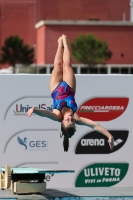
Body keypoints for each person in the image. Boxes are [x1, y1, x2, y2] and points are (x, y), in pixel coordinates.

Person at [27, 34, 114, 152]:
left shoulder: (57, 115)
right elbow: (94, 125)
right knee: (67, 63)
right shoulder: (76, 117)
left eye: (68, 121)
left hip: (56, 88)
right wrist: (109, 136)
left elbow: (46, 114)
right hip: (69, 88)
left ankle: (59, 45)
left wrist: (35, 110)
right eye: (73, 121)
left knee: (58, 65)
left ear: (62, 121)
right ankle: (66, 44)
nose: (71, 118)